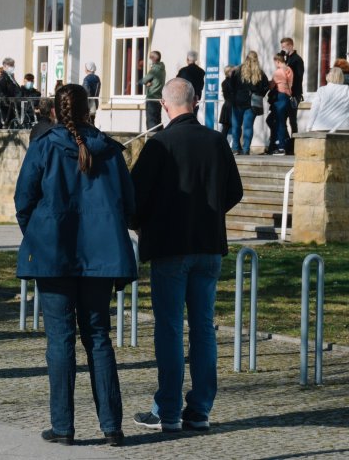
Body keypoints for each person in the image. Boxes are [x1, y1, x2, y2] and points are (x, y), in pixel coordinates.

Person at [15, 84, 136, 447]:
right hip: (100, 257)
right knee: (98, 337)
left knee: (61, 339)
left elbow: (24, 200)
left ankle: (63, 425)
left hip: (54, 253)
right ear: (89, 110)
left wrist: (38, 233)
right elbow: (128, 204)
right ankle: (111, 426)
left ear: (54, 111)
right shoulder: (109, 150)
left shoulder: (44, 146)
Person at [130, 78, 243, 433]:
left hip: (170, 246)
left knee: (169, 328)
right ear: (195, 102)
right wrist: (210, 214)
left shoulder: (159, 144)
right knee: (203, 328)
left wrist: (142, 225)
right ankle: (200, 409)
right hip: (208, 245)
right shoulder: (216, 141)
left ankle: (167, 410)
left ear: (165, 105)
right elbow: (234, 191)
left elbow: (134, 198)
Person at [228, 51, 268, 155]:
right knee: (248, 127)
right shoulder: (260, 73)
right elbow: (266, 86)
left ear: (246, 59)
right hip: (251, 103)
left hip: (237, 102)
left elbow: (231, 86)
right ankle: (246, 149)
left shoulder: (237, 71)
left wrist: (233, 96)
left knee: (236, 126)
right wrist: (259, 94)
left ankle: (235, 148)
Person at [309, 68, 349, 132]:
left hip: (321, 126)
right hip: (343, 127)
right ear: (341, 78)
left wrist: (309, 127)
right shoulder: (346, 89)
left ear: (328, 76)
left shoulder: (321, 90)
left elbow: (314, 110)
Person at [266, 52, 294, 155]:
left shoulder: (278, 72)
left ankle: (281, 146)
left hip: (280, 97)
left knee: (279, 123)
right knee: (275, 121)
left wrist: (267, 82)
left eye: (275, 62)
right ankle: (283, 143)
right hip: (287, 97)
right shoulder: (289, 70)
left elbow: (271, 86)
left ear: (277, 61)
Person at [281, 37, 305, 142]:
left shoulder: (297, 60)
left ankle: (294, 142)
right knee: (283, 118)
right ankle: (286, 140)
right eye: (282, 47)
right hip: (286, 93)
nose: (283, 49)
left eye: (284, 47)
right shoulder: (287, 59)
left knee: (292, 119)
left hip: (294, 93)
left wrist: (293, 92)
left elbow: (299, 77)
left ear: (290, 46)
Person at [0, 57, 22, 129]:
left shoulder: (10, 77)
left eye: (13, 65)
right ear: (5, 66)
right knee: (2, 130)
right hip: (2, 109)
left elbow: (17, 90)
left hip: (9, 108)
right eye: (11, 65)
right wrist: (9, 102)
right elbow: (2, 92)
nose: (13, 67)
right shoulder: (2, 77)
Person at [139, 50, 166, 131]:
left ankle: (152, 137)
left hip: (152, 97)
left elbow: (143, 80)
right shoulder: (162, 69)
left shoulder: (154, 70)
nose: (150, 60)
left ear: (154, 59)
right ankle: (160, 136)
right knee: (158, 121)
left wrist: (146, 83)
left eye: (150, 58)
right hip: (159, 98)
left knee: (151, 121)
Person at [219, 65, 236, 143]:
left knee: (228, 127)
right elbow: (228, 95)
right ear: (228, 72)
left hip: (228, 106)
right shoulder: (227, 82)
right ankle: (222, 144)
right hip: (230, 106)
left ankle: (235, 145)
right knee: (227, 127)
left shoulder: (226, 82)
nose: (235, 73)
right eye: (233, 71)